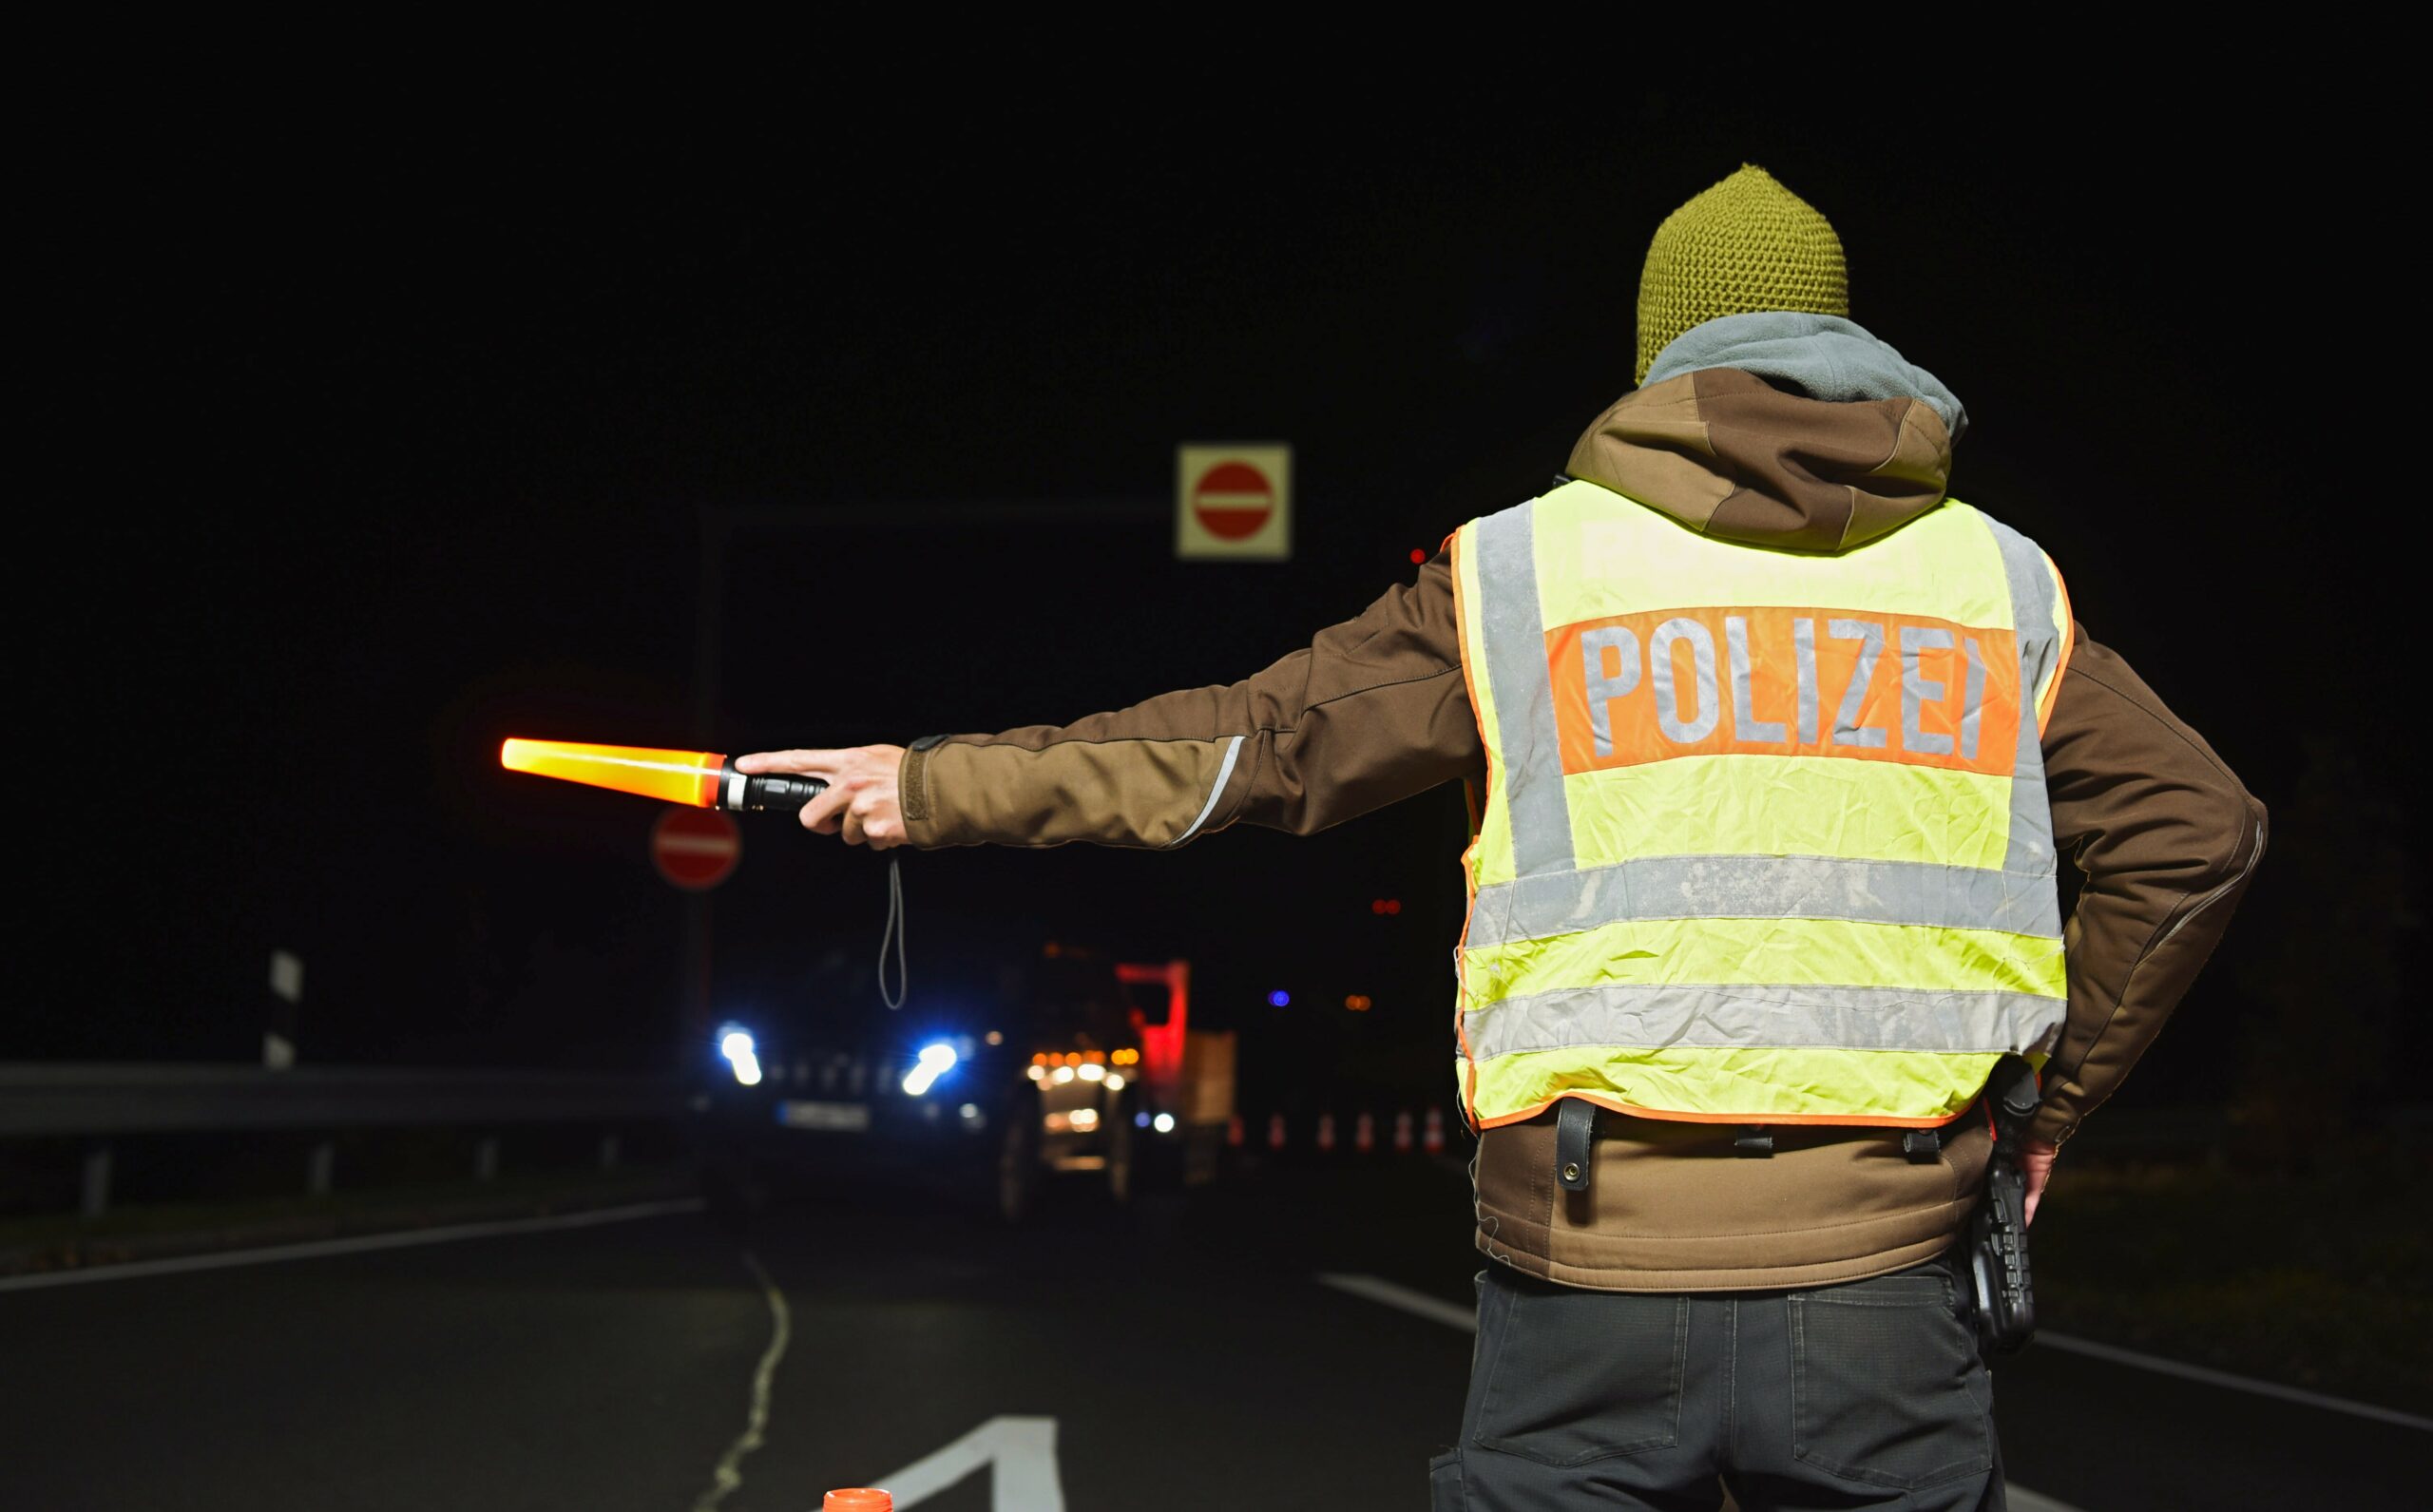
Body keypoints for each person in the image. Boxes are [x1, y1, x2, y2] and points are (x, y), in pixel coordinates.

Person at [738, 165, 2266, 1511]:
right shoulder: (1998, 588)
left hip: (1584, 1276)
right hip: (1888, 1277)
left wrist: (929, 784)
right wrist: (2048, 1118)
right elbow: (2200, 832)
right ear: (1847, 350)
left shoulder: (1521, 571)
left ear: (1664, 359)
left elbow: (1251, 752)